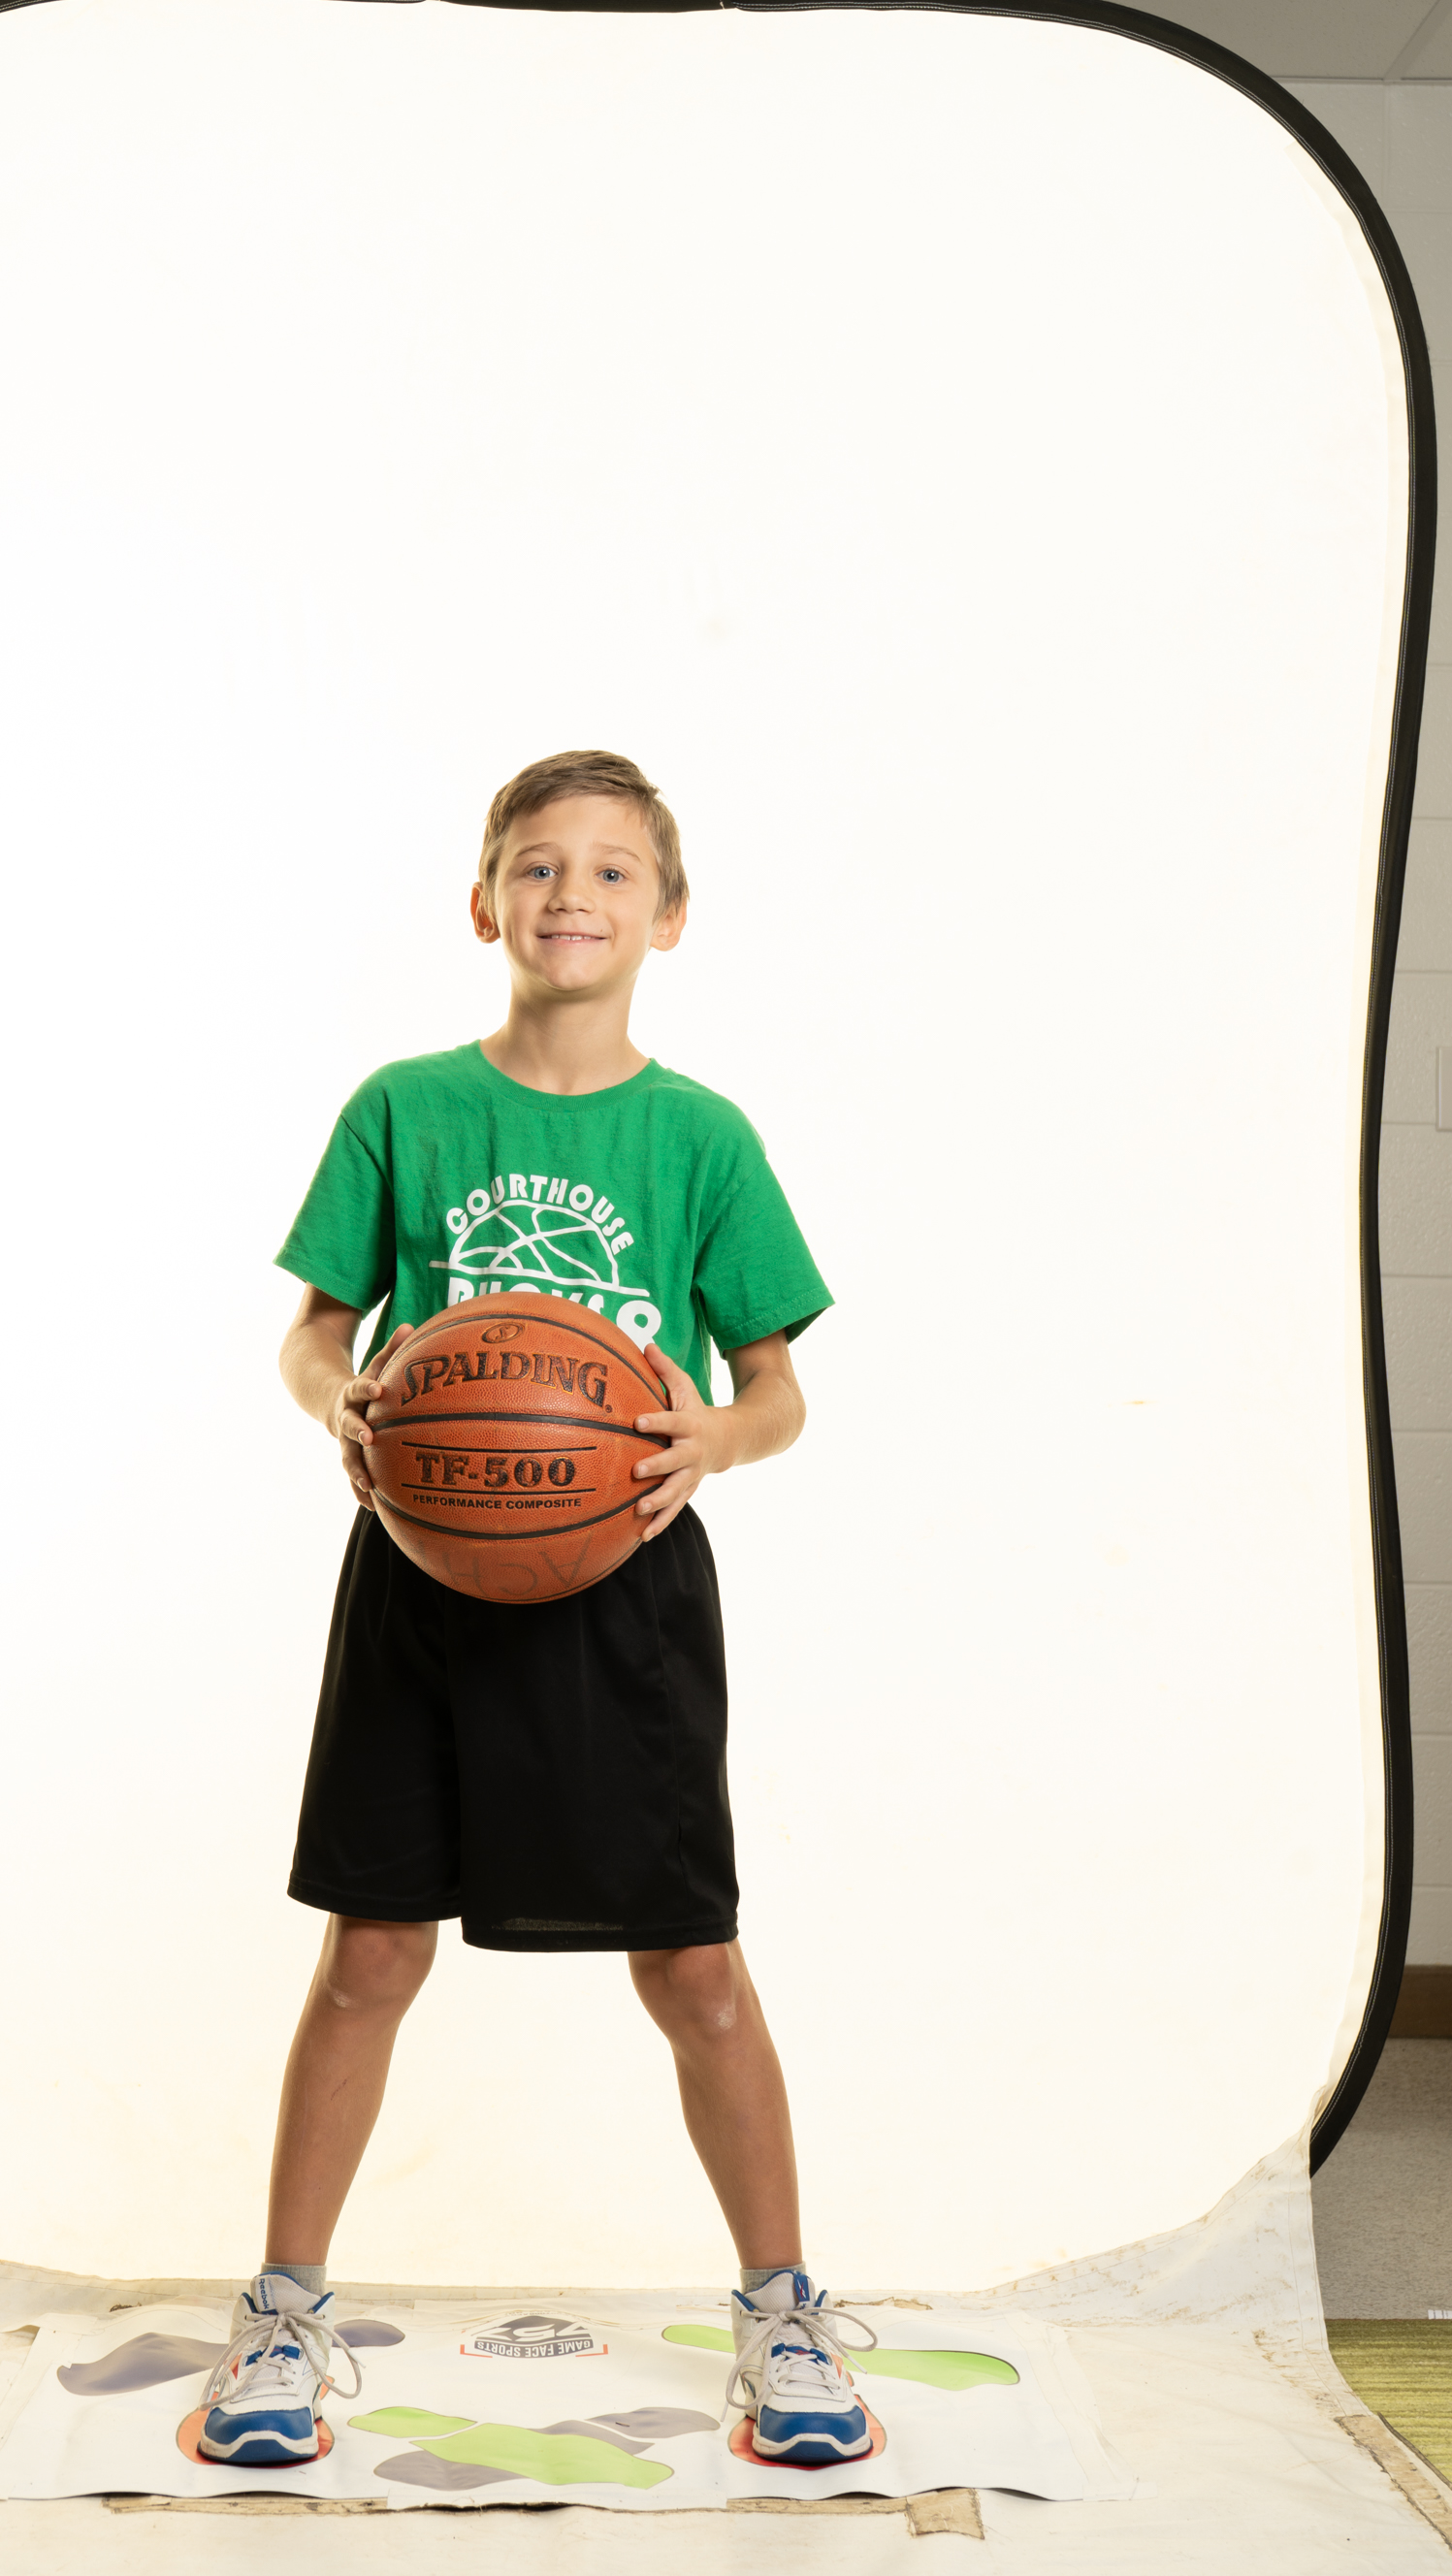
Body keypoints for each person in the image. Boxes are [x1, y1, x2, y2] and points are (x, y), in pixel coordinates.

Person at [197, 751, 872, 2472]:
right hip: (421, 1573)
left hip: (624, 1582)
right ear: (482, 900)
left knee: (692, 1964)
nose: (572, 893)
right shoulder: (404, 1106)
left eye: (612, 870)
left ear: (669, 914)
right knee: (368, 1951)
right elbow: (311, 1331)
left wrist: (715, 1434)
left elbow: (778, 1385)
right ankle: (281, 2312)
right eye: (538, 864)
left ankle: (783, 2308)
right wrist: (341, 1401)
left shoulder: (700, 1135)